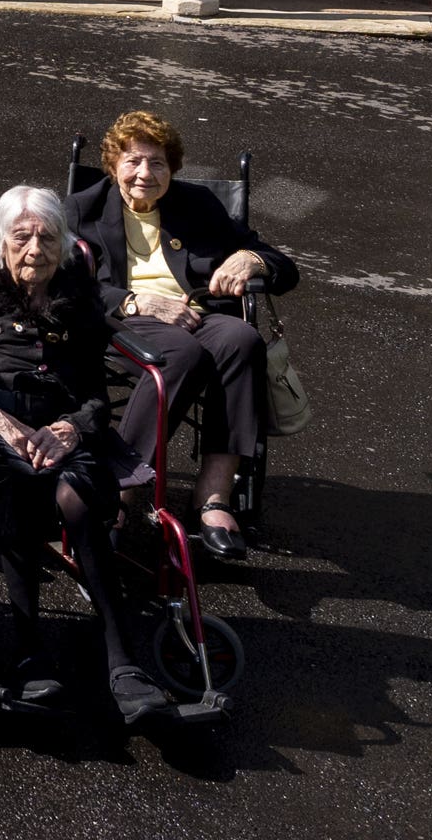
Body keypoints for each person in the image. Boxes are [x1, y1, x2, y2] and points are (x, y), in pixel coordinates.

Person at [0, 185, 173, 726]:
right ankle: (28, 652)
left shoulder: (76, 294)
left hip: (62, 427)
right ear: (1, 242)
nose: (35, 249)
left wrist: (71, 427)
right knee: (18, 488)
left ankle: (124, 663)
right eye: (22, 237)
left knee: (79, 495)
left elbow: (94, 391)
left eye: (47, 237)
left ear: (64, 244)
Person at [68, 110, 299, 564]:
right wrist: (136, 302)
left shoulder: (198, 206)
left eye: (158, 163)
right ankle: (118, 494)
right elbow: (64, 284)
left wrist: (251, 259)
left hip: (197, 313)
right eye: (133, 161)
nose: (145, 174)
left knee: (242, 341)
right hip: (123, 320)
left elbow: (281, 265)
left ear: (172, 169)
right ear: (113, 165)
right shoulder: (81, 210)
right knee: (182, 353)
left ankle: (213, 499)